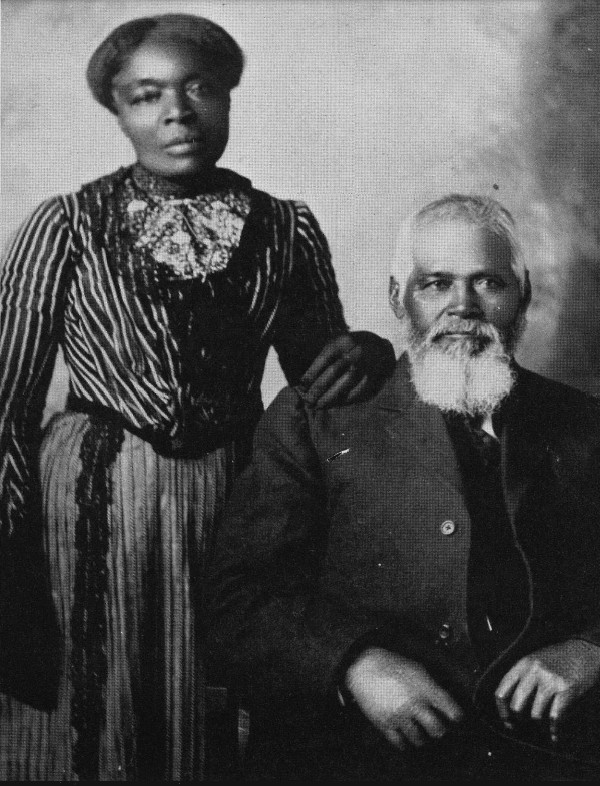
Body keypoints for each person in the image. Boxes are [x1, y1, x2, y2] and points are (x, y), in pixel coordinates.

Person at [0, 13, 395, 781]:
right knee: (96, 694)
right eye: (146, 96)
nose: (177, 112)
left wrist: (370, 352)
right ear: (118, 112)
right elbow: (5, 402)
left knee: (217, 689)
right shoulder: (67, 225)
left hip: (231, 492)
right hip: (90, 502)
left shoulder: (284, 229)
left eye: (199, 89)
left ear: (228, 97)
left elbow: (322, 377)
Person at [205, 194, 600, 780]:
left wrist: (593, 648)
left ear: (524, 295)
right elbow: (235, 597)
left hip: (538, 756)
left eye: (488, 283)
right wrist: (353, 664)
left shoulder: (585, 426)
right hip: (353, 756)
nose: (462, 308)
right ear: (399, 298)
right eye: (436, 283)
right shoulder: (315, 420)